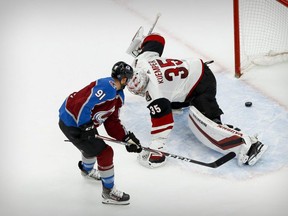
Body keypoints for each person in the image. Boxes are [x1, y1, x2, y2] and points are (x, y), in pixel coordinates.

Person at [126, 33, 267, 168]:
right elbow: (157, 39)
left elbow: (164, 123)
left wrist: (156, 148)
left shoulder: (155, 92)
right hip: (194, 68)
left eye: (141, 89)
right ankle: (179, 102)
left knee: (209, 125)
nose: (140, 92)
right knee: (169, 96)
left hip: (202, 84)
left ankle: (251, 146)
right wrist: (143, 44)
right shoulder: (142, 60)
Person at [58, 61, 142, 205]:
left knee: (92, 147)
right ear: (124, 79)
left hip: (82, 122)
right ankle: (108, 192)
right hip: (72, 122)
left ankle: (86, 170)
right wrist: (85, 126)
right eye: (127, 79)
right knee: (105, 152)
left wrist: (126, 138)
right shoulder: (107, 86)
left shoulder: (118, 96)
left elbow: (112, 122)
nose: (128, 83)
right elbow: (82, 104)